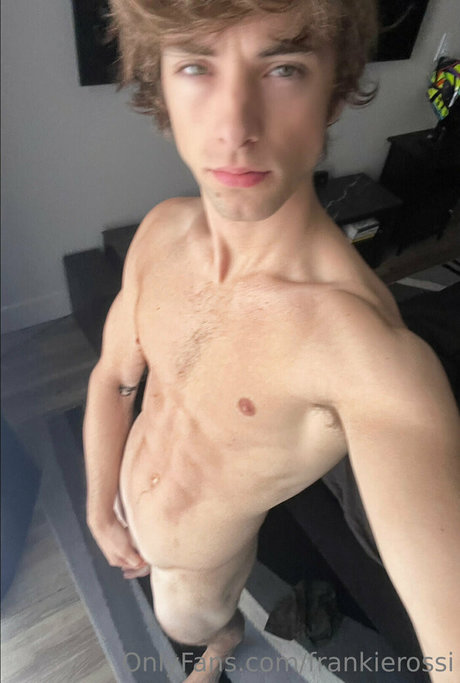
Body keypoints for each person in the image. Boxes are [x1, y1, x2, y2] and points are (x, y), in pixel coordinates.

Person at [83, 1, 460, 681]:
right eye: (197, 66)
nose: (235, 127)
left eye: (283, 68)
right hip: (126, 512)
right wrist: (99, 503)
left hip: (201, 578)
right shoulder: (161, 231)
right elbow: (115, 378)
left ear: (335, 88)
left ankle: (224, 640)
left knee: (195, 628)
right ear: (159, 81)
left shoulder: (369, 355)